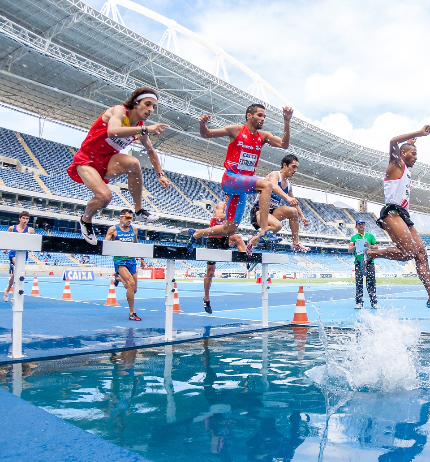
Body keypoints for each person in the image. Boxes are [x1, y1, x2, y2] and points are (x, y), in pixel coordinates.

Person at [364, 126, 430, 314]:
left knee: (421, 253)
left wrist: (412, 143)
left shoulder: (405, 168)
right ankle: (372, 254)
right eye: (413, 153)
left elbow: (404, 148)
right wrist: (418, 133)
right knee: (408, 253)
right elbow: (393, 142)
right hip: (392, 213)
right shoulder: (396, 165)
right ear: (403, 154)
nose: (416, 157)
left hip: (404, 215)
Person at [68, 87, 170, 244]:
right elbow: (113, 131)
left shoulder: (140, 127)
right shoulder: (120, 111)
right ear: (136, 103)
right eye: (147, 104)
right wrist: (145, 129)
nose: (150, 109)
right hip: (87, 159)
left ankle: (139, 210)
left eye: (153, 107)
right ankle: (86, 219)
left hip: (107, 161)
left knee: (134, 163)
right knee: (105, 197)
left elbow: (151, 151)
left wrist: (160, 174)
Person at [187, 104, 294, 253]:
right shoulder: (235, 130)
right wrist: (202, 124)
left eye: (264, 116)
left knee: (229, 229)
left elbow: (284, 144)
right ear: (249, 116)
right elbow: (207, 134)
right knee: (267, 185)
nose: (262, 119)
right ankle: (264, 232)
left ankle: (196, 233)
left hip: (242, 187)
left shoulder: (263, 136)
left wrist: (287, 121)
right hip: (231, 179)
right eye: (259, 115)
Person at [249, 154, 310, 251]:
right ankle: (253, 241)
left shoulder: (289, 186)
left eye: (297, 168)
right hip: (259, 211)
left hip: (272, 212)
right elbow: (273, 185)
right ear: (285, 165)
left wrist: (302, 216)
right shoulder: (275, 175)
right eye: (293, 167)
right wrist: (287, 197)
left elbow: (294, 201)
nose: (295, 170)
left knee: (293, 211)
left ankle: (296, 244)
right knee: (277, 226)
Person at [203, 201, 248, 314]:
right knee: (210, 272)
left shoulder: (234, 207)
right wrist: (233, 215)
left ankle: (246, 259)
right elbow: (219, 217)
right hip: (213, 240)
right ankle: (206, 298)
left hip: (224, 239)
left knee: (238, 237)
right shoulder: (221, 205)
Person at [105, 209, 142, 321]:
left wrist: (141, 258)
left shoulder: (134, 229)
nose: (129, 220)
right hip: (120, 261)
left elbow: (136, 244)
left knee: (133, 289)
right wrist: (113, 243)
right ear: (121, 217)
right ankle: (132, 313)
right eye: (127, 218)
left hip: (131, 260)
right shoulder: (113, 229)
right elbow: (105, 245)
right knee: (130, 284)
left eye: (131, 218)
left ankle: (119, 278)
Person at [4, 211, 34, 302]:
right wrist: (5, 248)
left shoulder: (30, 230)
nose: (25, 220)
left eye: (27, 219)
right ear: (19, 219)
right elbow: (6, 238)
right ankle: (13, 291)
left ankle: (8, 289)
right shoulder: (12, 228)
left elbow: (32, 243)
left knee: (16, 273)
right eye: (23, 218)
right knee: (18, 267)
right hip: (14, 252)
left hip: (23, 253)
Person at [349, 219, 379, 310]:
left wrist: (369, 245)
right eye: (359, 224)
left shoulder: (370, 236)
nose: (361, 225)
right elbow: (349, 249)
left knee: (371, 283)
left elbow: (376, 247)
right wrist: (356, 245)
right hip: (358, 263)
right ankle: (359, 303)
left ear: (364, 225)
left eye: (363, 224)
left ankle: (374, 303)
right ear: (356, 226)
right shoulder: (353, 237)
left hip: (369, 262)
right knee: (359, 283)